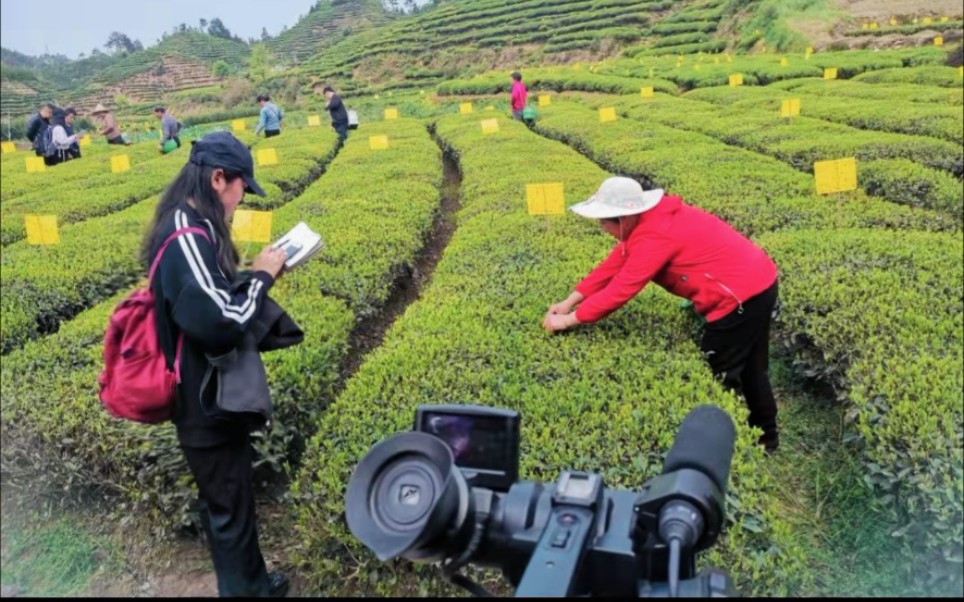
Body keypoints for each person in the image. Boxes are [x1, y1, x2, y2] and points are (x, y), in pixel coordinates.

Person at [141, 131, 290, 597]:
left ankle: (254, 585)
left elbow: (208, 299)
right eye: (241, 187)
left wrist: (255, 279)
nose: (241, 198)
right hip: (206, 401)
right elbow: (221, 321)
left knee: (231, 505)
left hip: (208, 395)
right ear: (218, 178)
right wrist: (263, 277)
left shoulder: (190, 224)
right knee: (228, 509)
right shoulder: (186, 233)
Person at [542, 177, 781, 454]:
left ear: (624, 218)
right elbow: (613, 265)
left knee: (717, 373)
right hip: (758, 282)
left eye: (604, 221)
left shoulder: (655, 234)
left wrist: (569, 320)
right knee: (752, 367)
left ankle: (733, 448)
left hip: (740, 297)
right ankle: (766, 439)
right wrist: (569, 301)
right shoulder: (647, 222)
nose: (601, 227)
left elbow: (623, 288)